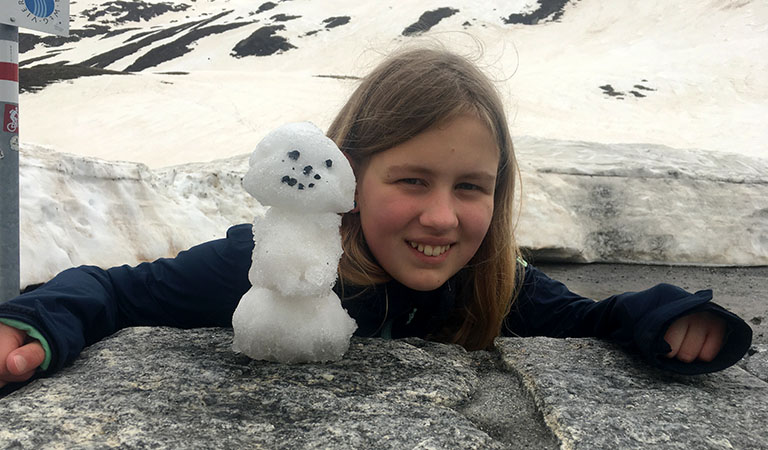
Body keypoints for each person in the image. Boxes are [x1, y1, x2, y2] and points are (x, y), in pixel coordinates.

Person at [0, 47, 752, 390]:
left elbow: (595, 321)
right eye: (412, 180)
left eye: (471, 187)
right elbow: (117, 290)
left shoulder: (499, 285)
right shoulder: (273, 265)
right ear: (349, 175)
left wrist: (670, 318)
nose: (442, 216)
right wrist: (32, 324)